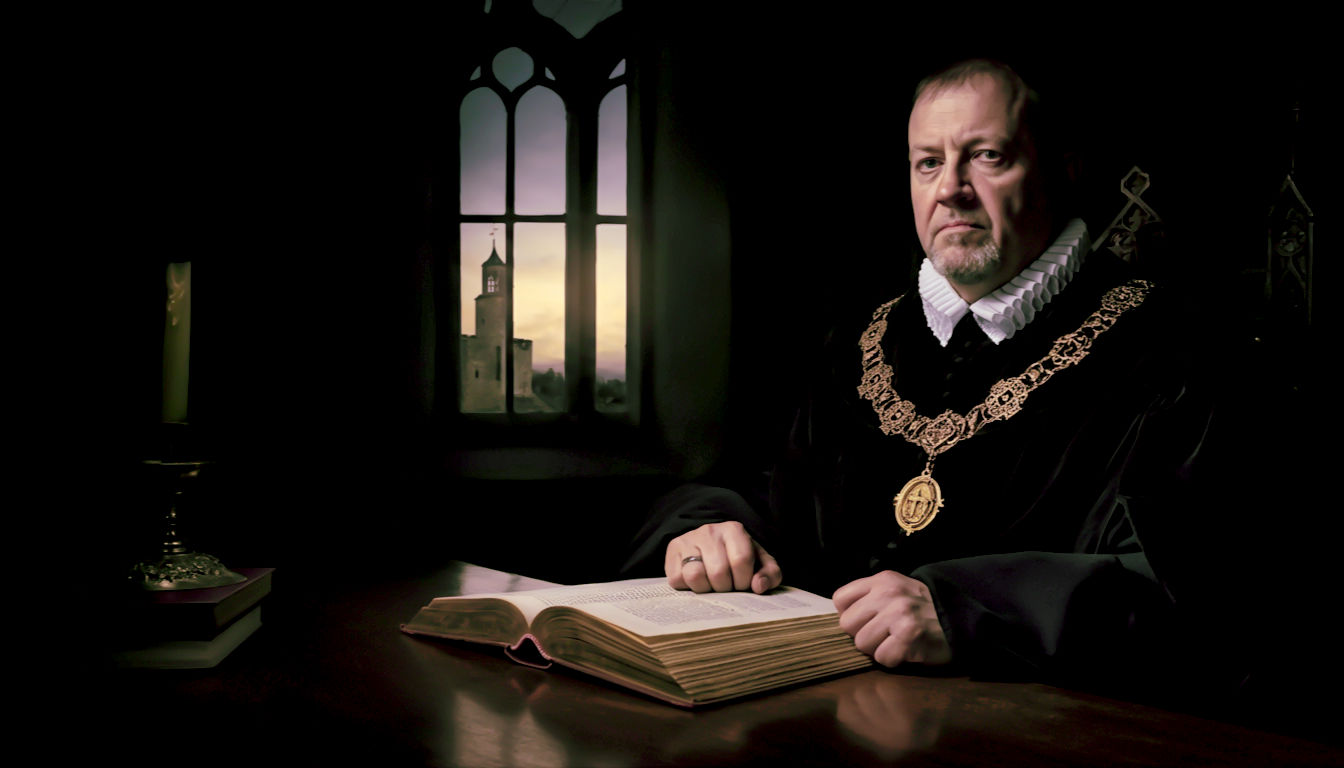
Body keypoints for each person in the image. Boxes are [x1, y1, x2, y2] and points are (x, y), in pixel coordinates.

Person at [621, 59, 1226, 697]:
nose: (951, 189)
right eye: (928, 162)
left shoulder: (1170, 355)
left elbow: (1202, 593)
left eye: (987, 156)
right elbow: (755, 487)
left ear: (1062, 169)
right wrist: (711, 529)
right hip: (813, 719)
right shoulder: (854, 342)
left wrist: (975, 611)